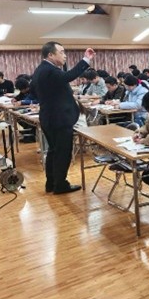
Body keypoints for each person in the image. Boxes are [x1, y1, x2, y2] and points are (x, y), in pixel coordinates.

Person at [32, 41, 94, 194]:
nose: (65, 55)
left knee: (53, 151)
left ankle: (51, 183)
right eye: (61, 52)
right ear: (50, 55)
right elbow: (69, 76)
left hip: (50, 117)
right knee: (62, 153)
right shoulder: (50, 70)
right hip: (59, 119)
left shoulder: (41, 69)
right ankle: (60, 185)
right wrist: (86, 60)